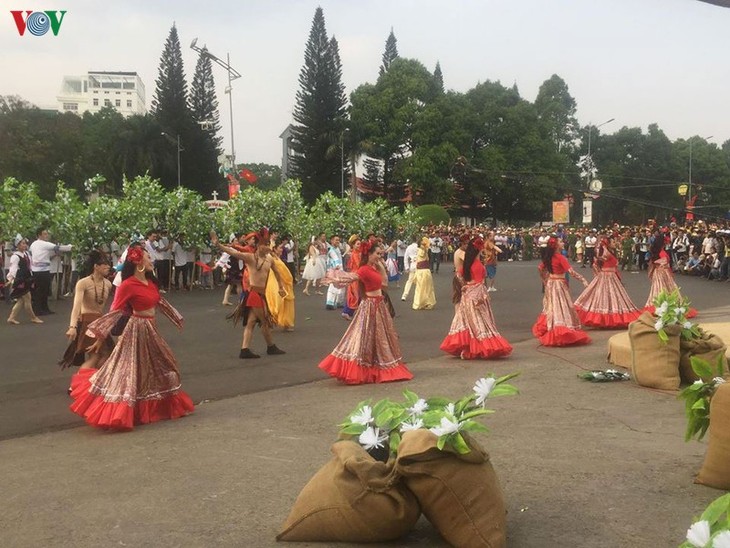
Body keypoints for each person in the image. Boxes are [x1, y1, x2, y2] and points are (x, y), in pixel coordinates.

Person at [68, 246, 194, 430]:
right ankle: (122, 412)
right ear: (138, 263)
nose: (151, 260)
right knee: (128, 371)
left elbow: (159, 301)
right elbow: (115, 312)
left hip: (151, 329)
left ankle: (154, 408)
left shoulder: (151, 283)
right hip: (135, 330)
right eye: (148, 257)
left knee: (162, 365)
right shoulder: (127, 285)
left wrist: (175, 317)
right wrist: (100, 338)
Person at [318, 240, 413, 384]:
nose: (379, 256)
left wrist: (380, 265)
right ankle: (361, 367)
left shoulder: (374, 267)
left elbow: (385, 285)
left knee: (380, 338)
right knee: (363, 338)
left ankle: (377, 365)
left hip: (379, 305)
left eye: (381, 254)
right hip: (369, 306)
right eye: (377, 254)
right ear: (368, 254)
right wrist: (334, 277)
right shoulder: (363, 269)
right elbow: (352, 277)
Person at [212, 229, 287, 359]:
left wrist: (280, 286)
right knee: (264, 321)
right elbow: (233, 252)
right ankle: (271, 347)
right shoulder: (250, 258)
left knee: (251, 322)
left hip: (261, 294)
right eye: (265, 244)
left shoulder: (270, 259)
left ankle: (244, 349)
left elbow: (277, 273)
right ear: (258, 246)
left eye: (268, 243)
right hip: (254, 294)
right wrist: (218, 245)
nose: (268, 247)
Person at [440, 237, 512, 359]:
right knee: (480, 320)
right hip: (477, 292)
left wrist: (464, 287)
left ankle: (468, 346)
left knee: (467, 319)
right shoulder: (477, 264)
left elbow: (460, 275)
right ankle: (480, 346)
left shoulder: (468, 262)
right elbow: (480, 279)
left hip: (468, 292)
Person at [59, 250, 114, 369]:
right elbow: (76, 306)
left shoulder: (108, 284)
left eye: (108, 264)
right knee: (94, 356)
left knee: (107, 355)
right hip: (87, 322)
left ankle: (92, 381)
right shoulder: (83, 283)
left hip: (100, 323)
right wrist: (72, 327)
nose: (108, 266)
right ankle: (77, 385)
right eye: (104, 264)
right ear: (96, 266)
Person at [533, 237, 591, 347]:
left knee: (551, 307)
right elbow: (571, 271)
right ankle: (562, 329)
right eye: (560, 242)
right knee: (562, 306)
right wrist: (583, 279)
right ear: (555, 246)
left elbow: (540, 268)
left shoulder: (548, 258)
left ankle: (551, 326)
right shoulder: (560, 258)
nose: (563, 243)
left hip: (551, 283)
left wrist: (545, 279)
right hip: (559, 284)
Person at [573, 237, 641, 328]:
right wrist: (603, 246)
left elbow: (597, 263)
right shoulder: (607, 253)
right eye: (613, 241)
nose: (615, 242)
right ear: (608, 244)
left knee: (610, 297)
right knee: (607, 296)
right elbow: (597, 262)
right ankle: (606, 319)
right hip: (607, 276)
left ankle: (608, 318)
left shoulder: (610, 252)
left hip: (610, 276)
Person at [644, 236, 697, 317]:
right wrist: (662, 265)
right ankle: (666, 306)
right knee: (665, 288)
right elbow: (664, 261)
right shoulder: (662, 252)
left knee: (659, 288)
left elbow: (654, 262)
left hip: (658, 271)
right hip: (663, 272)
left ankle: (659, 306)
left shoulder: (657, 251)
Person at [29, 227, 73, 315]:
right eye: (44, 234)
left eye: (47, 234)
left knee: (42, 290)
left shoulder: (33, 244)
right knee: (42, 290)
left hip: (38, 270)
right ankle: (39, 309)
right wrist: (70, 247)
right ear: (39, 235)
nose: (47, 235)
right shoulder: (43, 244)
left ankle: (43, 308)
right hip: (42, 271)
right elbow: (58, 247)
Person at [6, 237, 43, 325]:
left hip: (26, 279)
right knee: (27, 298)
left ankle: (12, 317)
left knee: (21, 300)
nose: (25, 245)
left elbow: (29, 265)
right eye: (22, 243)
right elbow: (13, 269)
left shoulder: (26, 254)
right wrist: (11, 279)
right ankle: (33, 317)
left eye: (25, 243)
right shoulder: (15, 256)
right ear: (17, 245)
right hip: (20, 280)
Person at [265, 239, 295, 331]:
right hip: (274, 282)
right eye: (280, 248)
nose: (282, 250)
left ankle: (286, 324)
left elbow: (286, 274)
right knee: (276, 301)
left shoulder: (278, 259)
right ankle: (270, 322)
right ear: (274, 249)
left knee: (286, 301)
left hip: (282, 282)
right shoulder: (271, 259)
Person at [412, 236, 436, 310]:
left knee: (428, 288)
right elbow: (422, 255)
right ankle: (420, 303)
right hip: (421, 271)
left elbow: (426, 257)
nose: (423, 246)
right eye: (422, 244)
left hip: (425, 271)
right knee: (420, 288)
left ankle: (427, 302)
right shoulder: (420, 250)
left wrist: (425, 249)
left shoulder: (424, 250)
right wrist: (425, 248)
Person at [325, 235, 345, 310]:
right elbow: (335, 259)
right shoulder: (331, 250)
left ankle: (339, 302)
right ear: (332, 241)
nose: (337, 241)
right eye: (336, 240)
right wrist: (337, 266)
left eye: (338, 240)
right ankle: (329, 303)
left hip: (339, 269)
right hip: (334, 270)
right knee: (333, 286)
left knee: (341, 286)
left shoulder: (337, 249)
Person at [400, 236, 419, 302]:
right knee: (419, 281)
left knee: (409, 281)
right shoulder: (419, 247)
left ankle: (404, 295)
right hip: (419, 264)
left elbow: (405, 258)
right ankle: (417, 296)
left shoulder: (409, 247)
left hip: (412, 264)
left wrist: (406, 267)